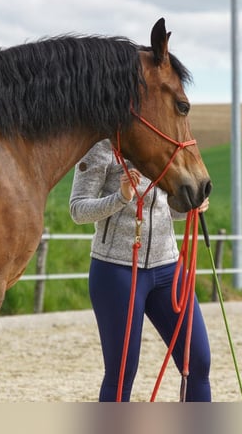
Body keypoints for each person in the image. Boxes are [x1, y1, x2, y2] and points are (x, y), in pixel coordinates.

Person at [69, 138, 212, 402]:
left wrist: (193, 205)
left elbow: (166, 209)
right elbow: (78, 210)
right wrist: (121, 197)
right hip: (116, 272)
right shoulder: (102, 147)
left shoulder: (161, 145)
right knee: (122, 373)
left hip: (169, 269)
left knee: (198, 364)